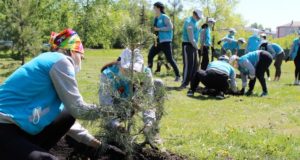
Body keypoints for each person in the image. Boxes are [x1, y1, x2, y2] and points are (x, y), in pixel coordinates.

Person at [0, 29, 101, 160]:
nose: (81, 60)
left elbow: (62, 114)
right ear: (72, 51)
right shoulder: (61, 62)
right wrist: (112, 110)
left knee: (66, 113)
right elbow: (79, 109)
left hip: (17, 127)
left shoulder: (49, 59)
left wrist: (90, 141)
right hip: (3, 126)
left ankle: (30, 151)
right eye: (81, 56)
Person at [99, 48, 164, 146]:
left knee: (158, 84)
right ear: (120, 64)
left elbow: (148, 101)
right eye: (127, 70)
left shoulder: (146, 73)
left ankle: (153, 132)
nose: (132, 74)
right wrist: (116, 125)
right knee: (114, 138)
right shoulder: (108, 75)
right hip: (117, 109)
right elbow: (106, 106)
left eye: (135, 70)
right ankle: (115, 133)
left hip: (136, 104)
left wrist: (148, 124)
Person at [148, 2, 180, 81]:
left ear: (158, 8)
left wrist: (159, 29)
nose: (153, 9)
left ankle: (178, 76)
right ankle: (149, 74)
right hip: (158, 42)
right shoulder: (156, 18)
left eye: (154, 8)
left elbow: (170, 27)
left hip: (166, 42)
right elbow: (155, 30)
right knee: (150, 55)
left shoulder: (164, 17)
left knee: (170, 59)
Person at [180, 9, 203, 88]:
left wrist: (202, 28)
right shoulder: (189, 22)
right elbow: (191, 38)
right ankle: (184, 83)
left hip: (193, 45)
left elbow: (196, 32)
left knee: (195, 65)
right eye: (198, 17)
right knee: (188, 65)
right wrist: (198, 48)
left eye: (200, 17)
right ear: (194, 14)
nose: (199, 18)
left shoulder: (195, 22)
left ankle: (192, 83)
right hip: (188, 45)